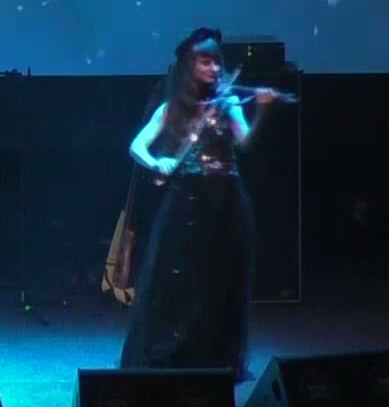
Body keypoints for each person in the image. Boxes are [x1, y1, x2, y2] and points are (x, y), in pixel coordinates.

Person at [118, 28, 286, 381]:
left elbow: (244, 143)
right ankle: (171, 355)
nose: (213, 69)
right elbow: (136, 146)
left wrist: (261, 111)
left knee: (220, 282)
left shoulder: (228, 102)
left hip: (228, 202)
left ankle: (213, 358)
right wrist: (158, 162)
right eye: (205, 62)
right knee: (180, 282)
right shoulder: (171, 108)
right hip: (186, 205)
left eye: (216, 62)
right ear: (189, 66)